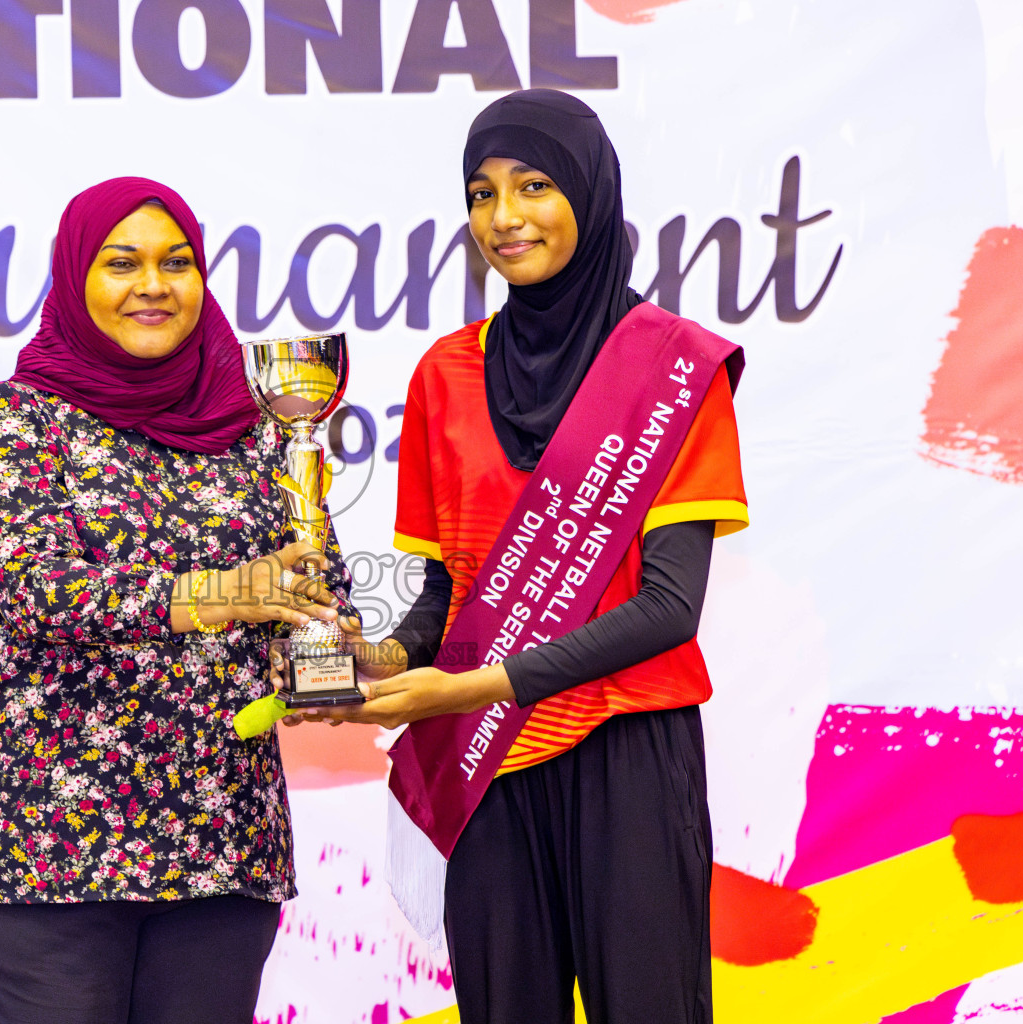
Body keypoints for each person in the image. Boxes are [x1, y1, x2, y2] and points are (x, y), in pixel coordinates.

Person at [313, 90, 748, 1024]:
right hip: (491, 770)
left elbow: (671, 607)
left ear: (590, 196)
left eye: (534, 185)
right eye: (481, 194)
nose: (503, 218)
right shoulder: (446, 371)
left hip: (626, 751)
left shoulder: (673, 368)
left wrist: (470, 690)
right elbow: (443, 595)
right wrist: (380, 661)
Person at [0, 176, 350, 1024]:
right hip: (45, 845)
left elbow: (312, 588)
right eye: (122, 263)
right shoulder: (16, 420)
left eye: (177, 261)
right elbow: (36, 590)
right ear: (76, 279)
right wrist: (225, 595)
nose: (153, 285)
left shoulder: (257, 425)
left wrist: (336, 655)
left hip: (223, 844)